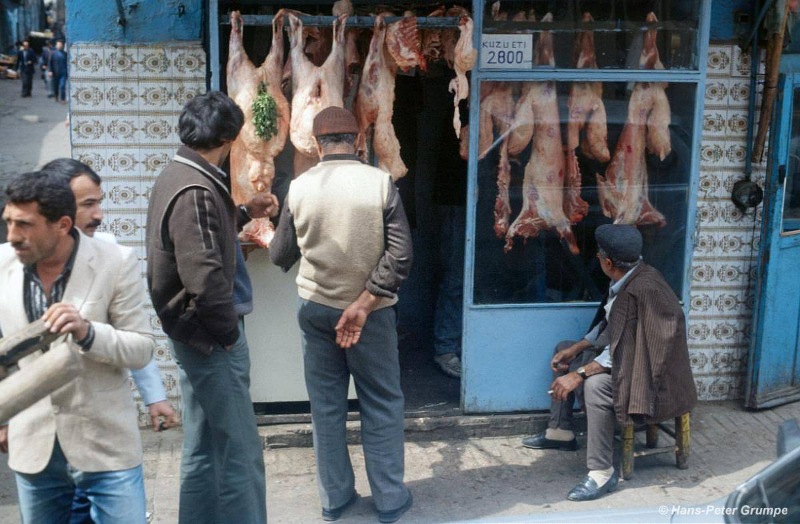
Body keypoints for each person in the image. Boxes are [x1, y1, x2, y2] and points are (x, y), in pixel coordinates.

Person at [270, 106, 414, 523]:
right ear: (358, 141)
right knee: (382, 402)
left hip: (315, 310)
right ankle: (389, 500)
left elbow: (281, 254)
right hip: (373, 314)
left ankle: (335, 500)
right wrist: (365, 302)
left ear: (317, 146)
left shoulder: (299, 187)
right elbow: (401, 255)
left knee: (327, 407)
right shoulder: (380, 183)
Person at [145, 91, 275, 524]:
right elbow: (203, 277)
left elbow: (201, 237)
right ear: (227, 139)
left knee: (203, 446)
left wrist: (241, 212)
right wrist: (228, 336)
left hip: (193, 336)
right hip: (210, 339)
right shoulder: (195, 188)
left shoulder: (181, 174)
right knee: (240, 452)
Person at [0, 170, 155, 522]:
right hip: (33, 445)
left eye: (24, 225)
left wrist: (88, 332)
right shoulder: (1, 264)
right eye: (8, 223)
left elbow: (141, 348)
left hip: (105, 445)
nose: (13, 236)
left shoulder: (115, 262)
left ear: (62, 224)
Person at [40, 157, 180, 523]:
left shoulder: (112, 254)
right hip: (45, 441)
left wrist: (155, 398)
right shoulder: (14, 266)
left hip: (105, 434)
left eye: (99, 202)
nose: (99, 214)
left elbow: (133, 335)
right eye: (88, 204)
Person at [544, 224, 697, 501]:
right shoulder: (628, 277)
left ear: (608, 262)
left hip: (658, 381)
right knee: (564, 348)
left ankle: (602, 472)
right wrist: (577, 348)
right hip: (630, 359)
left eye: (600, 256)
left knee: (596, 386)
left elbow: (623, 353)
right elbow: (610, 325)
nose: (599, 260)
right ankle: (560, 433)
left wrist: (578, 373)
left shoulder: (643, 290)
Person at [48, 40, 68, 104]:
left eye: (61, 44)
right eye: (58, 44)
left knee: (62, 86)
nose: (59, 45)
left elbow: (68, 63)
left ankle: (63, 99)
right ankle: (56, 95)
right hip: (55, 73)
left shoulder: (65, 54)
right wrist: (50, 71)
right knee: (56, 86)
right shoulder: (53, 53)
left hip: (63, 73)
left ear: (62, 45)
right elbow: (50, 62)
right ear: (56, 45)